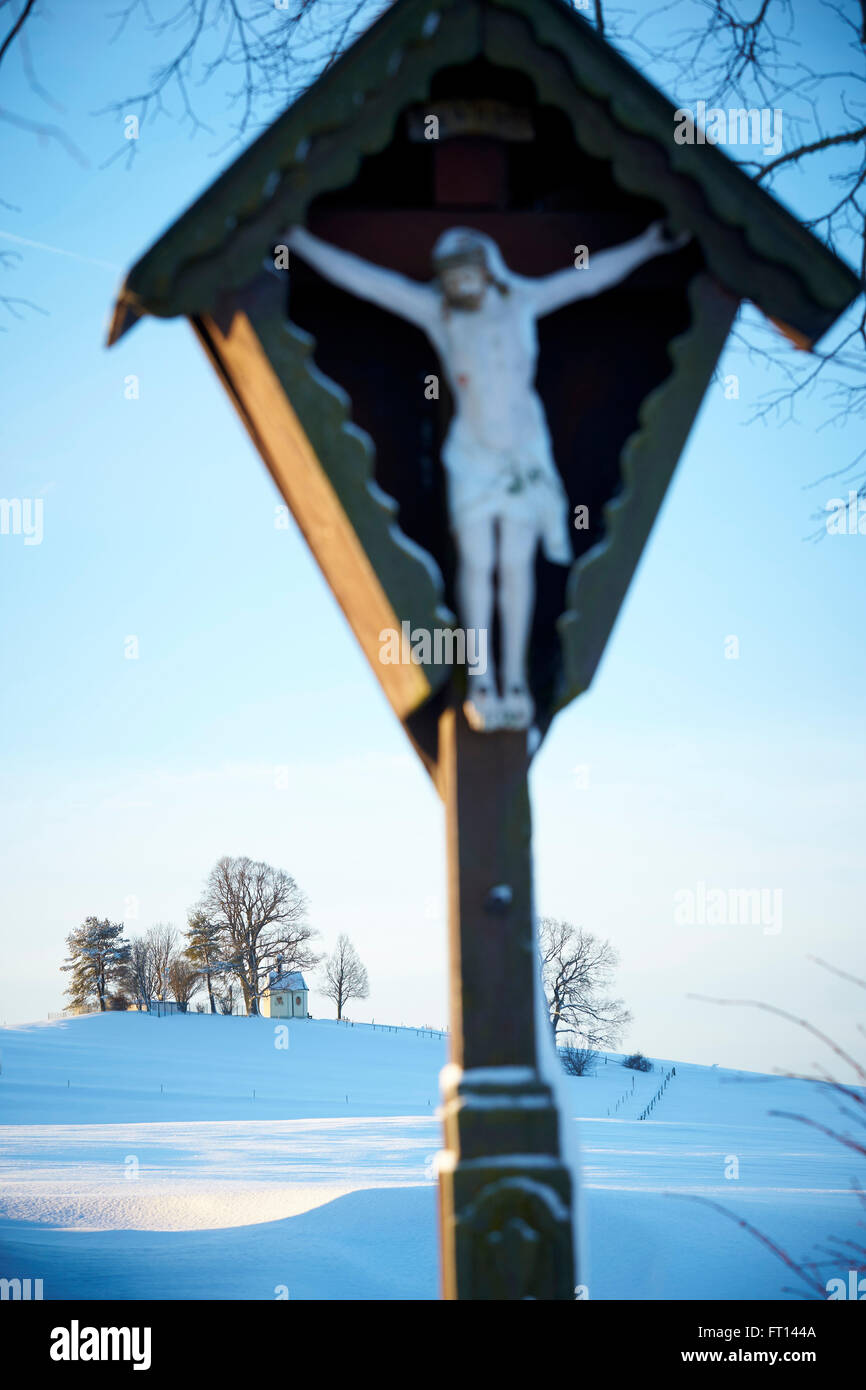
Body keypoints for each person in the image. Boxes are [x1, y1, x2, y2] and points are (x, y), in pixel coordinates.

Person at [286, 219, 687, 729]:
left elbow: (587, 278)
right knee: (477, 564)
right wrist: (303, 241)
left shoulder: (523, 303)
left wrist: (647, 244)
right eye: (450, 275)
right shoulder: (440, 314)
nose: (459, 284)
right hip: (473, 457)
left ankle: (513, 678)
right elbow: (369, 282)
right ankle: (481, 680)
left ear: (488, 269)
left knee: (516, 564)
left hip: (520, 454)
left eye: (466, 271)